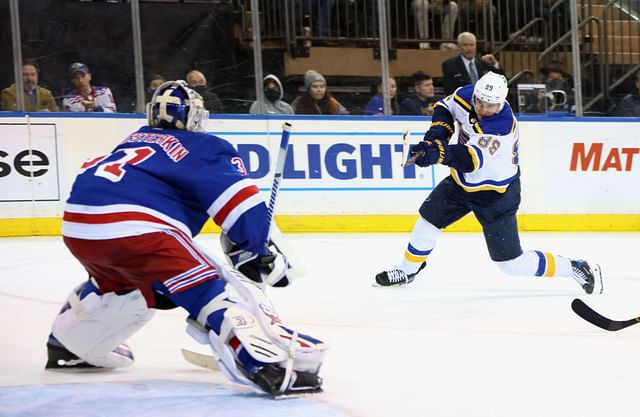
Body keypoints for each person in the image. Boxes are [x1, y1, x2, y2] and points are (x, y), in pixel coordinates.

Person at [44, 80, 327, 396]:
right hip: (138, 229)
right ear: (194, 116)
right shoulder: (205, 147)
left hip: (79, 227)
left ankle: (69, 344)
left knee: (123, 287)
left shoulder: (134, 140)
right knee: (214, 287)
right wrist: (257, 250)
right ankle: (265, 365)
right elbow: (243, 211)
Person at [374, 72, 603, 296]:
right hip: (460, 183)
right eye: (480, 102)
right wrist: (437, 137)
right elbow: (444, 107)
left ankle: (574, 267)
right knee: (427, 222)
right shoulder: (468, 95)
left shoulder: (500, 127)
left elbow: (469, 160)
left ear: (501, 102)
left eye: (490, 106)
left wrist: (435, 153)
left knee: (511, 264)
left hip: (496, 195)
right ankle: (407, 271)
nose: (483, 109)